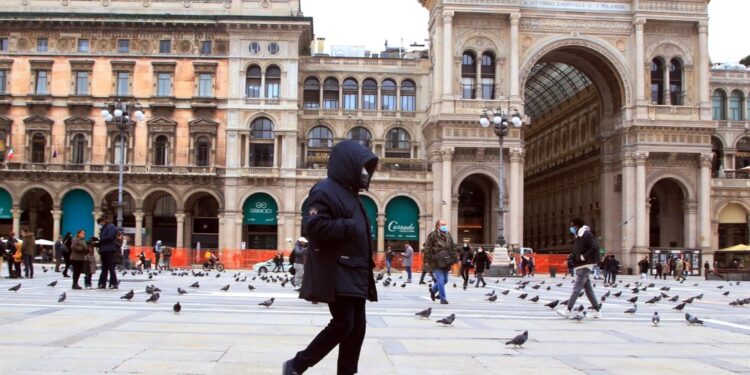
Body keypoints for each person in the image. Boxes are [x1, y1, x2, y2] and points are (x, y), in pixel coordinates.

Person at [284, 140, 379, 375]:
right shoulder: (325, 190)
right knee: (343, 324)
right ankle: (297, 364)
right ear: (348, 165)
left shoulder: (352, 196)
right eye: (361, 167)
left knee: (357, 329)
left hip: (355, 271)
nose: (365, 173)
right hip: (339, 271)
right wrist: (348, 226)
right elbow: (314, 227)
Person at [557, 218, 601, 319]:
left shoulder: (586, 233)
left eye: (573, 225)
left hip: (584, 264)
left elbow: (594, 246)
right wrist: (569, 259)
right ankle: (597, 311)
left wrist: (584, 256)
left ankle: (568, 309)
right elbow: (577, 250)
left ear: (578, 226)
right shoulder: (579, 235)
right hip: (582, 264)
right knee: (588, 289)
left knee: (576, 288)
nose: (571, 227)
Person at [424, 219, 456, 305]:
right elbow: (427, 248)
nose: (444, 226)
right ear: (437, 226)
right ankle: (443, 298)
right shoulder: (432, 235)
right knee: (441, 280)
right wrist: (427, 262)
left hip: (446, 260)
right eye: (442, 224)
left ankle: (433, 290)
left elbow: (452, 247)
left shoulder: (448, 234)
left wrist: (454, 258)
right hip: (436, 261)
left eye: (445, 224)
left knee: (445, 280)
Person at [97, 216, 119, 289]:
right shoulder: (104, 228)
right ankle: (102, 283)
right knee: (104, 268)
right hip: (103, 250)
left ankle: (114, 283)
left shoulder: (111, 227)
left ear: (104, 221)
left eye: (100, 222)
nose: (100, 224)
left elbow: (110, 237)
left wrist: (100, 240)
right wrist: (96, 241)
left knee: (110, 267)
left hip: (109, 249)